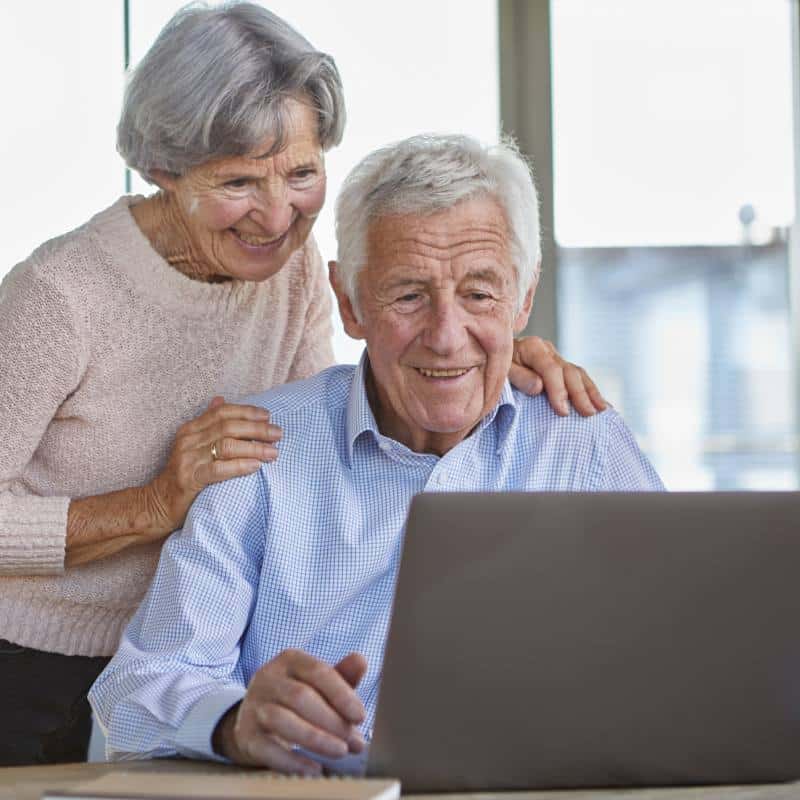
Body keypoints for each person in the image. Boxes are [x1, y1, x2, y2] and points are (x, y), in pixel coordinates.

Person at [0, 2, 603, 768]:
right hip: (27, 657)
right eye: (240, 182)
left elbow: (326, 442)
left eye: (301, 173)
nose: (277, 215)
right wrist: (156, 504)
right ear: (163, 170)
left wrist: (475, 354)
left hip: (187, 652)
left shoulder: (290, 274)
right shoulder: (59, 297)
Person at [89, 133, 663, 775]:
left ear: (523, 297)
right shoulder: (260, 450)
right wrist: (232, 720)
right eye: (409, 295)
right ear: (349, 302)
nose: (447, 338)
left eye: (479, 293)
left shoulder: (581, 440)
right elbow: (132, 695)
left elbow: (681, 651)